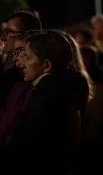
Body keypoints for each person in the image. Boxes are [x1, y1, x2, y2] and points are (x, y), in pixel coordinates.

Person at [2, 30, 89, 174]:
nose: (22, 63)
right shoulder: (61, 87)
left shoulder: (46, 95)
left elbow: (28, 144)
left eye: (28, 57)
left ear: (46, 65)